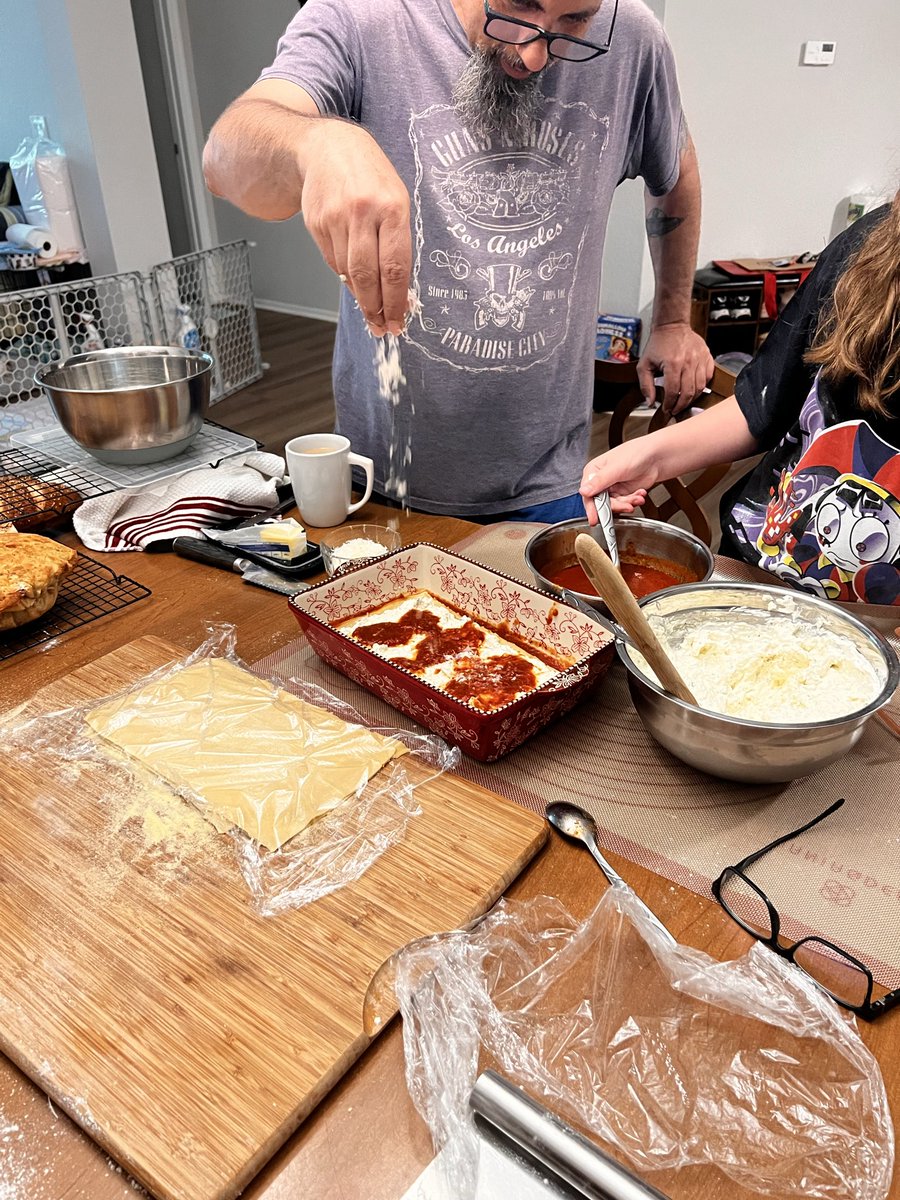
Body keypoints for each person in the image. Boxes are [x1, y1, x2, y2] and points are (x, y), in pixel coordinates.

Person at [204, 0, 713, 521]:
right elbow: (225, 158)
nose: (534, 54)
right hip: (380, 479)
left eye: (575, 22)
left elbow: (675, 175)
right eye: (519, 6)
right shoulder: (361, 17)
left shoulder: (633, 36)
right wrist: (315, 141)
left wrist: (673, 319)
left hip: (551, 478)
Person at [580, 191, 900, 605]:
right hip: (754, 575)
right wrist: (649, 457)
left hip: (880, 629)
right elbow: (761, 406)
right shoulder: (872, 244)